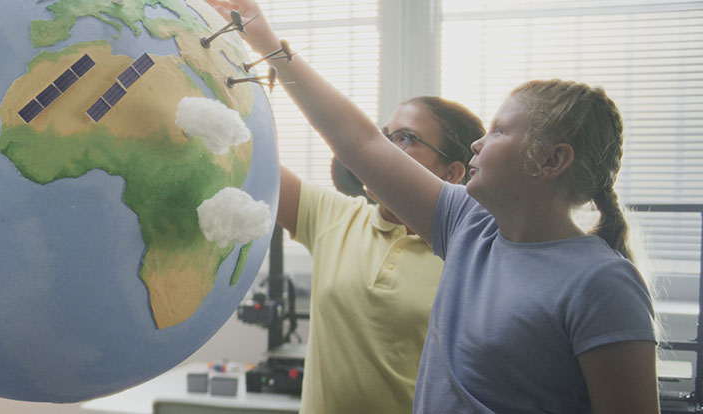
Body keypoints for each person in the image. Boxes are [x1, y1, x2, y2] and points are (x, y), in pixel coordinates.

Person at [208, 1, 658, 412]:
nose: (481, 141)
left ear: (552, 160)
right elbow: (358, 141)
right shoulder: (469, 227)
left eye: (500, 131)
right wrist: (263, 37)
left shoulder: (602, 284)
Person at [274, 95, 483, 413]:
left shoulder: (469, 255)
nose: (381, 149)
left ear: (452, 173)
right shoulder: (333, 215)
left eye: (405, 138)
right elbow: (250, 161)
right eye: (384, 136)